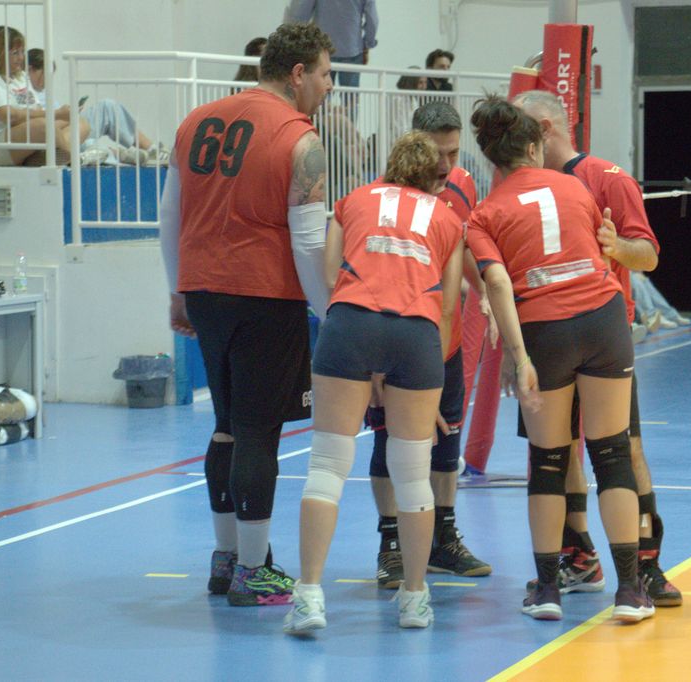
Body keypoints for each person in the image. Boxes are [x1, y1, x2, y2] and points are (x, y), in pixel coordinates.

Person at [159, 22, 334, 607]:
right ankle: (254, 573)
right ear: (298, 73)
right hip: (266, 296)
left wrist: (178, 290)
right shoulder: (300, 140)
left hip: (205, 292)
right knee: (260, 432)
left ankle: (227, 557)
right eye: (326, 74)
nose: (329, 87)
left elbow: (171, 215)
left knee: (227, 426)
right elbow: (308, 243)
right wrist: (330, 313)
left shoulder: (195, 122)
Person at [465, 96, 653, 623]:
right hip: (604, 320)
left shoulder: (483, 214)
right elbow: (599, 250)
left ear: (490, 157)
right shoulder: (576, 186)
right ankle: (631, 592)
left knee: (548, 462)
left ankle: (547, 589)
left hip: (545, 329)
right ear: (533, 146)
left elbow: (498, 284)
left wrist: (518, 356)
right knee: (612, 455)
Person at [283, 131, 465, 632]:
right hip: (417, 335)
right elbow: (448, 306)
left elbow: (329, 275)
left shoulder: (353, 201)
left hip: (351, 325)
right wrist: (426, 381)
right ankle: (414, 598)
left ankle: (309, 597)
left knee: (327, 466)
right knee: (413, 474)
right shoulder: (447, 217)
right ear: (431, 178)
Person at [510, 89, 682, 607]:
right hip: (545, 333)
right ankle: (578, 556)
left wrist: (614, 246)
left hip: (602, 335)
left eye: (519, 129)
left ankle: (646, 566)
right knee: (555, 452)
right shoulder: (518, 186)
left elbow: (647, 255)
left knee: (624, 448)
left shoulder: (607, 177)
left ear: (543, 129)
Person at [367, 102, 492, 590]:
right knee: (389, 439)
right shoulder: (384, 196)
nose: (445, 165)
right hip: (393, 340)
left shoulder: (462, 186)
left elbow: (465, 252)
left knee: (447, 441)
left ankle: (442, 538)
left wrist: (485, 294)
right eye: (436, 153)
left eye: (453, 153)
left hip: (444, 338)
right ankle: (391, 544)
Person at [0, 26, 89, 166]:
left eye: (22, 52)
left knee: (79, 122)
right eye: (15, 53)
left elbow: (36, 109)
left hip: (14, 137)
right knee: (43, 125)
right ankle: (73, 161)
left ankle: (40, 158)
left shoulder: (20, 76)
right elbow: (9, 116)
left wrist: (60, 115)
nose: (21, 58)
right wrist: (56, 114)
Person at [26, 48, 166, 165]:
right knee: (88, 141)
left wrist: (70, 112)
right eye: (45, 74)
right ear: (30, 70)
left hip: (67, 127)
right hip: (55, 134)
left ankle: (151, 150)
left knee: (107, 107)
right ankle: (118, 154)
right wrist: (63, 115)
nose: (48, 80)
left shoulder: (44, 92)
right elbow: (36, 124)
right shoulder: (23, 91)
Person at [287, 0, 378, 87]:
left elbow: (301, 14)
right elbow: (372, 20)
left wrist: (298, 44)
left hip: (322, 50)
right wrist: (368, 44)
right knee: (350, 95)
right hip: (352, 50)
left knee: (321, 94)